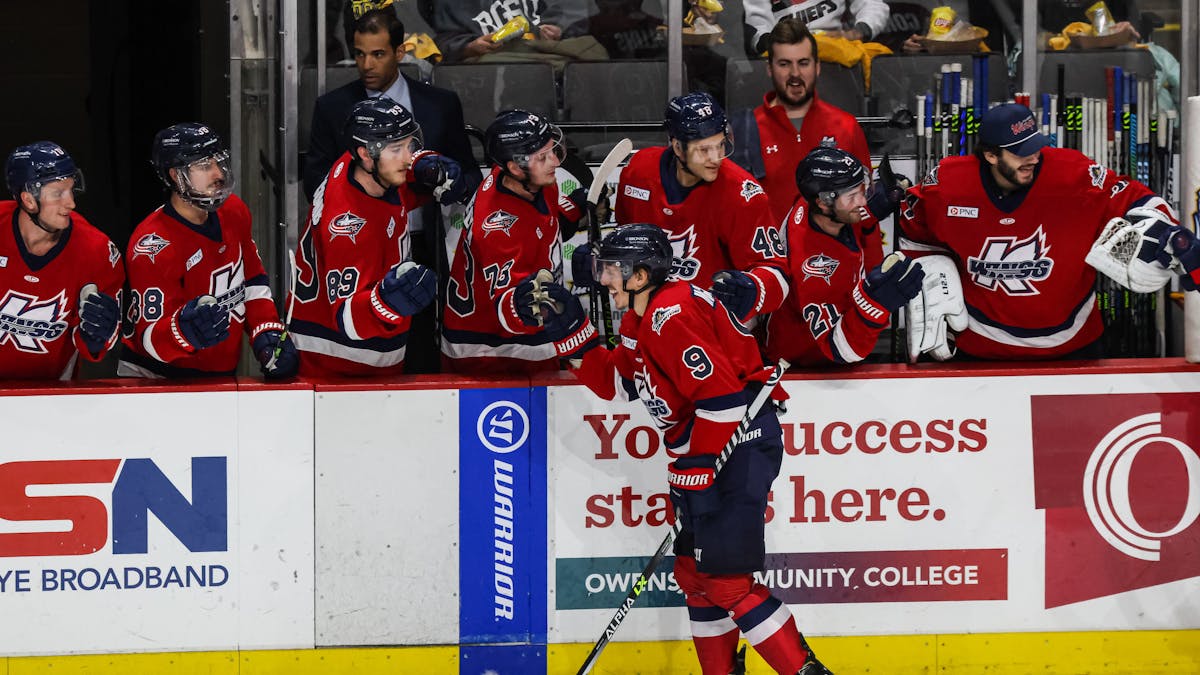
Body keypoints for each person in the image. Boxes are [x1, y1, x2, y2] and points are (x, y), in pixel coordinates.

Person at [521, 224, 834, 675]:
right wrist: (571, 330)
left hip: (736, 445)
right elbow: (618, 383)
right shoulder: (642, 317)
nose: (603, 279)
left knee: (727, 584)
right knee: (694, 577)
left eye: (612, 269)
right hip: (710, 450)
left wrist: (699, 464)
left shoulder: (673, 315)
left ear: (640, 275)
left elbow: (724, 402)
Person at [898, 102, 1179, 361]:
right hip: (979, 347)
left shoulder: (1074, 175)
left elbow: (1138, 200)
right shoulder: (948, 185)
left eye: (1035, 147)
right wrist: (930, 274)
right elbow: (913, 229)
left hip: (1075, 345)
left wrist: (1165, 233)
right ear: (991, 155)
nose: (1033, 158)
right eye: (1020, 151)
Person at [290, 97, 469, 376]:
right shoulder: (346, 226)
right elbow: (347, 319)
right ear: (365, 153)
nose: (407, 157)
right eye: (397, 149)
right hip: (338, 362)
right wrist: (385, 301)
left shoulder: (364, 169)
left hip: (375, 353)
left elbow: (398, 187)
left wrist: (427, 166)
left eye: (410, 145)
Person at [118, 123, 297, 379]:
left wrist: (265, 330)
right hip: (156, 378)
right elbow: (148, 337)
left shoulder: (234, 211)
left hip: (217, 374)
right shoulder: (152, 246)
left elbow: (252, 280)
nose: (218, 174)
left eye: (218, 162)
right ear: (175, 175)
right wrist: (182, 331)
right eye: (204, 166)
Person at [613, 91, 788, 324]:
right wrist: (604, 261)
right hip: (647, 322)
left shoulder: (742, 194)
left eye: (720, 145)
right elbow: (624, 244)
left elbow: (776, 271)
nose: (716, 158)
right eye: (704, 150)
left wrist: (754, 288)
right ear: (677, 147)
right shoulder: (638, 172)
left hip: (713, 326)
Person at [441, 109, 589, 375]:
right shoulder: (498, 228)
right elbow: (511, 311)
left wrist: (575, 208)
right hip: (490, 351)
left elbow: (541, 222)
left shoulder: (530, 181)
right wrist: (570, 329)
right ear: (515, 167)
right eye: (543, 156)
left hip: (517, 341)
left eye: (552, 150)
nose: (555, 161)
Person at [764, 147, 923, 366]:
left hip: (826, 349)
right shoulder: (815, 270)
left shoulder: (813, 206)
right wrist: (875, 305)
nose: (863, 202)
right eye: (852, 196)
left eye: (862, 190)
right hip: (806, 366)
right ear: (823, 202)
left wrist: (873, 209)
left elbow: (846, 215)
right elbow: (840, 348)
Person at [304, 9, 479, 203]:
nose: (367, 65)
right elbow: (314, 185)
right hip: (362, 221)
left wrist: (456, 184)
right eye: (360, 54)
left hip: (424, 221)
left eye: (378, 54)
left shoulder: (441, 104)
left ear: (399, 53)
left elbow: (471, 175)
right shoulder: (332, 108)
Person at [729, 17, 872, 227]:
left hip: (833, 249)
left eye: (803, 63)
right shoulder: (745, 129)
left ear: (817, 67)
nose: (795, 74)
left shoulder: (846, 126)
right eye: (784, 64)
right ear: (769, 68)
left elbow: (863, 211)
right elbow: (730, 212)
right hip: (769, 248)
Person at [0, 142, 124, 380]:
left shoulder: (97, 251)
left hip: (51, 392)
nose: (71, 203)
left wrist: (97, 337)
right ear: (28, 199)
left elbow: (94, 350)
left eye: (70, 189)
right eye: (58, 193)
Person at [743, 0, 890, 57]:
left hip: (837, 58)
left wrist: (859, 32)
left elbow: (873, 5)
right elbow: (757, 29)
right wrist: (780, 42)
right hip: (785, 61)